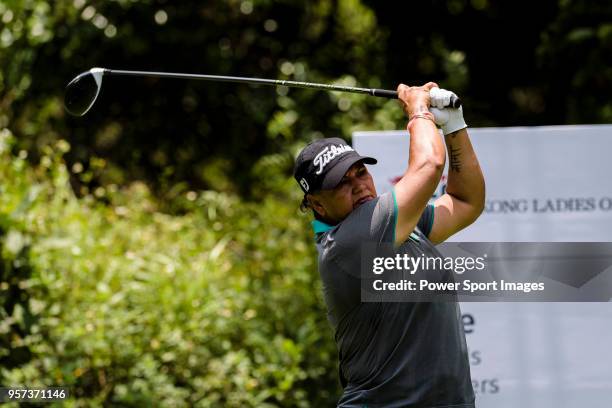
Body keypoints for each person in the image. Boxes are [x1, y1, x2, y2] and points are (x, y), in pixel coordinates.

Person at [293, 82, 485, 407]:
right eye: (341, 182)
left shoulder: (396, 227)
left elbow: (465, 202)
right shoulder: (350, 242)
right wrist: (417, 109)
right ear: (318, 205)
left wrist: (454, 126)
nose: (359, 185)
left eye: (360, 172)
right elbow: (428, 165)